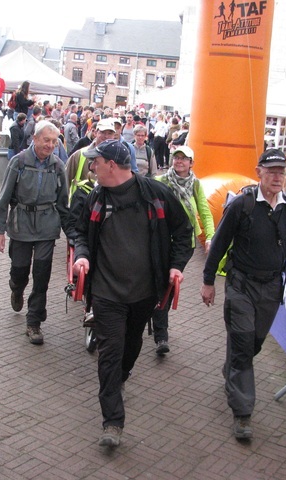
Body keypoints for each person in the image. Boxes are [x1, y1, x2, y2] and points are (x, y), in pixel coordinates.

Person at [72, 140, 193, 448]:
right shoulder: (96, 198)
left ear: (112, 165)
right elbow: (82, 234)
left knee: (131, 345)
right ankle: (112, 421)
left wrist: (176, 266)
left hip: (144, 293)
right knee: (109, 354)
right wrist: (82, 255)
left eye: (96, 162)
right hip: (106, 292)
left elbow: (183, 232)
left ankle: (122, 378)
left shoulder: (156, 195)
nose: (91, 167)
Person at [201, 149, 286, 440]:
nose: (277, 177)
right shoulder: (242, 204)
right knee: (243, 342)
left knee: (252, 344)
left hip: (272, 288)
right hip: (241, 285)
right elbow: (220, 242)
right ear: (259, 171)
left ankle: (232, 366)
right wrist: (208, 281)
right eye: (271, 171)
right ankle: (243, 414)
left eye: (281, 171)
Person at [0, 120, 69, 345]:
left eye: (54, 141)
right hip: (21, 224)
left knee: (42, 275)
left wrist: (72, 233)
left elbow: (63, 203)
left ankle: (34, 322)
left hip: (47, 226)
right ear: (34, 139)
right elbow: (4, 198)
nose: (50, 145)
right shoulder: (19, 162)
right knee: (20, 269)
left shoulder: (57, 166)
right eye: (46, 140)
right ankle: (16, 289)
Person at [152, 146, 215, 355]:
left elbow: (204, 211)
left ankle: (160, 327)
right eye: (176, 157)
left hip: (184, 243)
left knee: (170, 283)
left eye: (184, 158)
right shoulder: (161, 181)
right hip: (161, 238)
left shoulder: (195, 184)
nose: (179, 161)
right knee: (160, 282)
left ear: (191, 163)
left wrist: (210, 237)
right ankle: (159, 330)